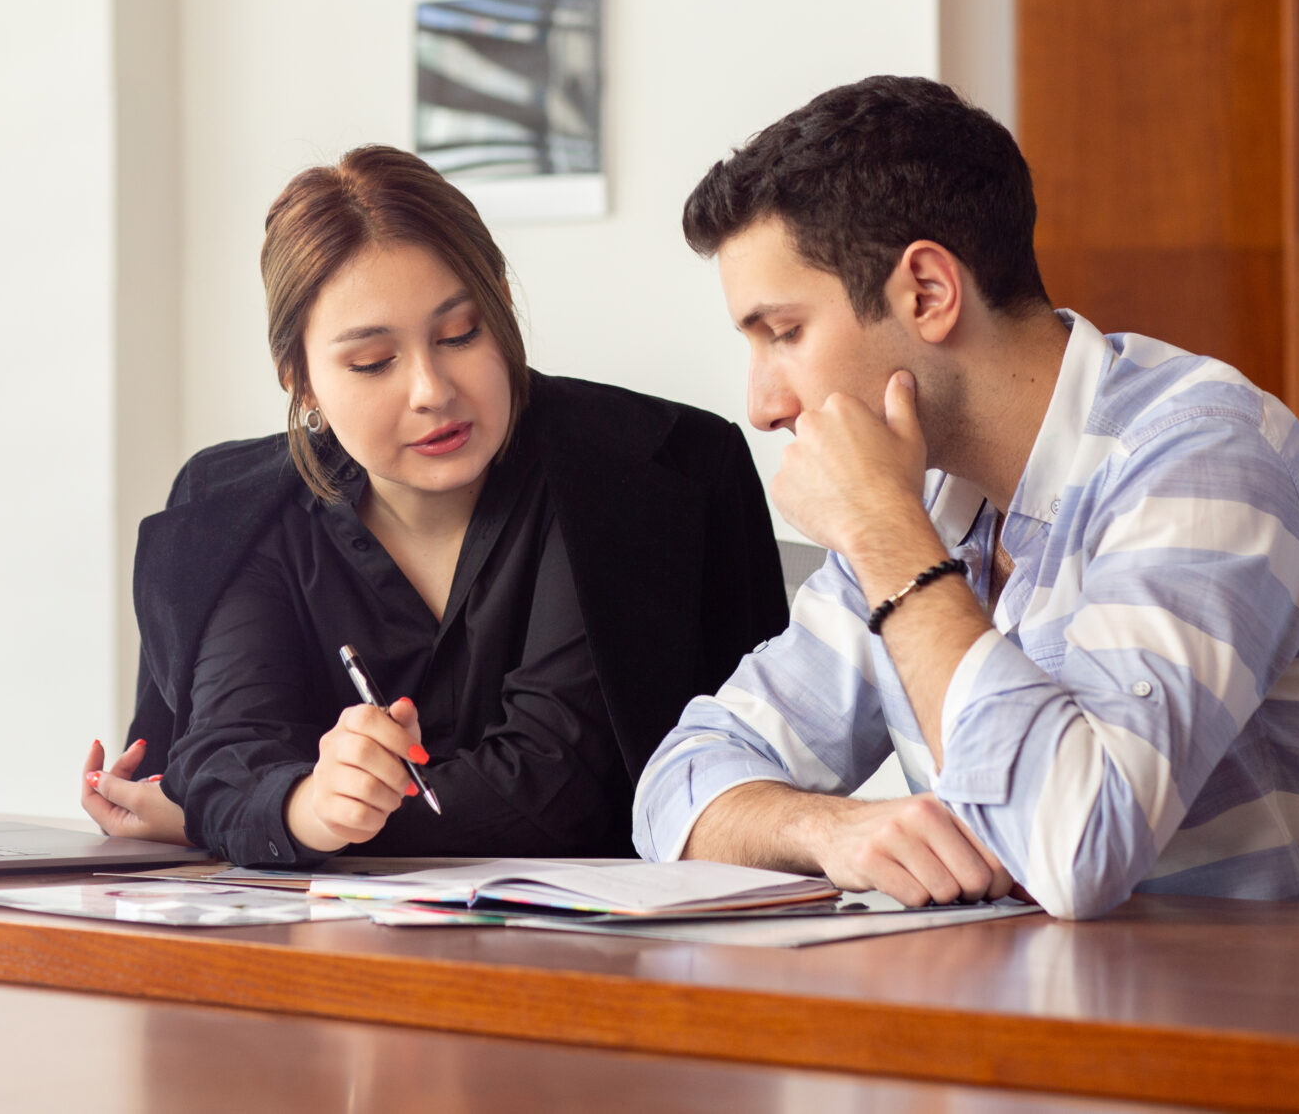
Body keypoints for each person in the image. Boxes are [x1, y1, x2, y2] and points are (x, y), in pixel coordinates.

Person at [635, 75, 1299, 920]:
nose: (763, 405)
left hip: (1265, 1030)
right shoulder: (917, 499)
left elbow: (1078, 845)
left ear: (928, 292)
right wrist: (827, 829)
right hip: (1024, 1015)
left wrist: (886, 534)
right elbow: (677, 782)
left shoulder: (1206, 456)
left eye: (784, 334)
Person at [80, 144, 788, 866]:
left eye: (460, 334)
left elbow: (556, 789)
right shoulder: (235, 508)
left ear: (503, 306)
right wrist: (295, 806)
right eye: (372, 362)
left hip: (618, 954)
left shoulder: (646, 468)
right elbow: (228, 746)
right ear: (300, 380)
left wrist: (266, 819)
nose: (431, 389)